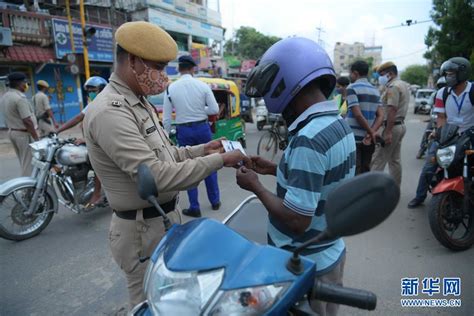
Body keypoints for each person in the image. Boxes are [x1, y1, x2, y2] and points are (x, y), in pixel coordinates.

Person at [82, 21, 248, 308]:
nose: (163, 76)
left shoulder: (139, 101)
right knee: (150, 305)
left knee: (173, 301)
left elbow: (168, 155)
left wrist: (202, 149)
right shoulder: (111, 111)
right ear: (132, 61)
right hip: (141, 231)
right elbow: (157, 176)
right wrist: (219, 159)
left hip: (161, 221)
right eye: (158, 67)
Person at [236, 37, 356, 316]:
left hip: (306, 261)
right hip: (330, 251)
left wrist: (255, 186)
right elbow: (322, 179)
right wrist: (274, 169)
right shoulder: (337, 123)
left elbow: (297, 219)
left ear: (285, 84)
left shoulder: (308, 139)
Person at [408, 57, 473, 208]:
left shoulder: (472, 91)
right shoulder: (442, 93)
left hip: (470, 137)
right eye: (447, 73)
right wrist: (439, 134)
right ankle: (419, 196)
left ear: (462, 74)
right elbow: (441, 117)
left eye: (451, 73)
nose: (448, 77)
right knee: (429, 167)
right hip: (449, 137)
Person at [163, 55, 221, 218]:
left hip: (184, 131)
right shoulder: (202, 86)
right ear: (193, 68)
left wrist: (166, 137)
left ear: (179, 69)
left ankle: (194, 206)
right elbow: (215, 109)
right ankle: (215, 201)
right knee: (210, 163)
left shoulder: (171, 88)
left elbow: (167, 119)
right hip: (203, 128)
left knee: (188, 167)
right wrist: (199, 111)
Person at [56, 76, 108, 207]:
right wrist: (57, 130)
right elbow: (79, 117)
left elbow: (105, 128)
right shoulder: (92, 104)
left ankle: (96, 195)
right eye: (89, 90)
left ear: (102, 90)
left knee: (98, 163)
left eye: (93, 89)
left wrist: (86, 139)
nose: (90, 92)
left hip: (106, 142)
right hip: (95, 141)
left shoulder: (107, 103)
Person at [370, 61, 410, 187]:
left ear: (390, 73)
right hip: (399, 125)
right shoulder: (402, 84)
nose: (380, 77)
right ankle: (395, 188)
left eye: (382, 74)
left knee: (378, 160)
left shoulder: (393, 87)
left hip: (391, 127)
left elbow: (392, 109)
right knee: (394, 160)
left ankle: (370, 191)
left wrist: (387, 132)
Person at [345, 60, 384, 174]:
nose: (350, 76)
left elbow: (357, 114)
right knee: (365, 169)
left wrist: (370, 132)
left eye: (350, 73)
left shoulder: (352, 88)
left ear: (355, 73)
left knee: (354, 171)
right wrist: (371, 133)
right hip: (368, 139)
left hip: (354, 138)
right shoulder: (375, 90)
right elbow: (381, 115)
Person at [0, 72, 39, 176]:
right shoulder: (19, 98)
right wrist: (36, 139)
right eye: (25, 82)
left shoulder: (5, 96)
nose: (26, 85)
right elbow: (27, 120)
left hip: (13, 132)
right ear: (19, 83)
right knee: (29, 163)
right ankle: (27, 190)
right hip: (23, 134)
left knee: (23, 161)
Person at [416, 77, 446, 159]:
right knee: (427, 132)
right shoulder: (435, 94)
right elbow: (429, 104)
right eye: (441, 86)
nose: (442, 88)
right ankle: (422, 149)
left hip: (447, 118)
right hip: (435, 117)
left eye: (444, 85)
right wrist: (427, 108)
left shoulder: (450, 93)